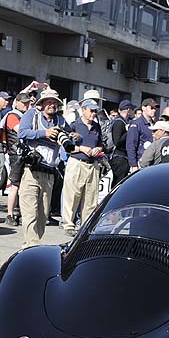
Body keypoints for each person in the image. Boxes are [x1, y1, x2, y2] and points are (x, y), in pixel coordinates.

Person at [17, 87, 69, 247]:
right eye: (48, 102)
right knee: (29, 213)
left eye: (54, 102)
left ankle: (33, 245)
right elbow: (22, 133)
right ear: (42, 103)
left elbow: (69, 140)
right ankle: (31, 247)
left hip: (49, 173)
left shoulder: (61, 121)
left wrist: (74, 137)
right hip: (31, 170)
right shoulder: (32, 115)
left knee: (43, 215)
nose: (51, 105)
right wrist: (44, 133)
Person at [60, 98, 105, 236]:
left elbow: (102, 144)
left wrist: (98, 148)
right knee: (72, 195)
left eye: (95, 111)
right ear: (83, 110)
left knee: (91, 198)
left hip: (93, 164)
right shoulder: (74, 125)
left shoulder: (97, 127)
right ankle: (68, 224)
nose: (93, 114)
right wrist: (81, 148)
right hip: (77, 163)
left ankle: (85, 226)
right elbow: (67, 147)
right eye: (91, 111)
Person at [2, 92, 30, 226]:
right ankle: (10, 214)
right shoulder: (13, 115)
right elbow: (20, 131)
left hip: (24, 154)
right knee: (15, 185)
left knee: (24, 185)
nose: (26, 105)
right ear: (17, 102)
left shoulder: (25, 115)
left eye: (28, 102)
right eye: (24, 102)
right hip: (16, 155)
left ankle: (20, 212)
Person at [127, 98, 157, 172]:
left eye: (155, 108)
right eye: (151, 108)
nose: (154, 110)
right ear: (143, 108)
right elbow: (131, 145)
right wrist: (134, 165)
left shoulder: (155, 124)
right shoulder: (136, 124)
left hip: (153, 163)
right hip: (141, 162)